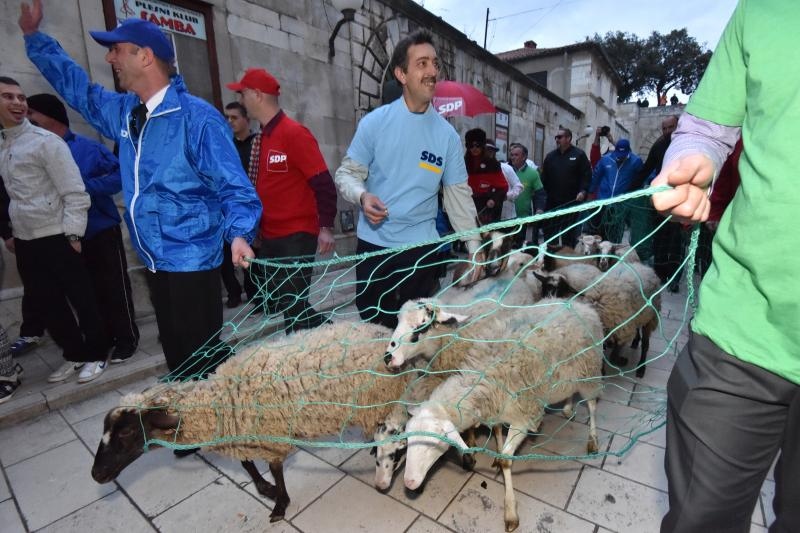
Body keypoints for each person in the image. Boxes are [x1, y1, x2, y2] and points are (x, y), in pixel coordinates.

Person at [20, 3, 262, 379]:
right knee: (177, 356)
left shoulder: (198, 118)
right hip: (153, 259)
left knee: (198, 359)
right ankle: (189, 424)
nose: (109, 57)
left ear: (145, 56)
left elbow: (236, 187)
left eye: (117, 49)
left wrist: (240, 234)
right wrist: (36, 39)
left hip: (190, 260)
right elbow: (79, 90)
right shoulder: (126, 112)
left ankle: (212, 421)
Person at [650, 2, 800, 531]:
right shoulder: (763, 8)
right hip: (740, 327)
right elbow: (709, 129)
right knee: (699, 519)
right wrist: (690, 162)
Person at [334, 29, 482, 328]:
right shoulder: (374, 123)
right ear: (401, 74)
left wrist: (473, 246)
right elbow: (347, 174)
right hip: (375, 244)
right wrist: (363, 196)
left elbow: (457, 196)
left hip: (421, 248)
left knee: (414, 326)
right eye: (422, 64)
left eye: (434, 64)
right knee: (374, 322)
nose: (432, 72)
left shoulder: (447, 137)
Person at [0, 76, 109, 383]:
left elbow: (75, 192)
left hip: (58, 234)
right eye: (8, 97)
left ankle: (97, 354)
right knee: (48, 304)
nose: (18, 103)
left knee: (82, 299)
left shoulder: (46, 142)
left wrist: (73, 234)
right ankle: (75, 354)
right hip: (25, 238)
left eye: (21, 97)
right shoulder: (4, 145)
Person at [26, 93, 140, 363]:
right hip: (65, 235)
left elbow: (118, 176)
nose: (28, 118)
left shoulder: (87, 148)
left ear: (50, 117)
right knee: (89, 293)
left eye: (33, 113)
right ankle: (106, 337)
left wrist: (84, 189)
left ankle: (127, 339)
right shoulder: (37, 150)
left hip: (100, 229)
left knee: (114, 287)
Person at [227, 68, 336, 332]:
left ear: (257, 95)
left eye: (242, 95)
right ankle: (325, 331)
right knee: (288, 303)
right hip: (272, 238)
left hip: (296, 237)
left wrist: (325, 227)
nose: (241, 101)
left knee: (293, 307)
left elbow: (323, 184)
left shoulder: (294, 134)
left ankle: (302, 359)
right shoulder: (261, 139)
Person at [220, 101, 258, 309]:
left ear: (246, 119)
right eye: (227, 118)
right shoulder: (225, 147)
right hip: (227, 208)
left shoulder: (257, 143)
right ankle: (233, 292)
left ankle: (257, 295)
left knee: (251, 253)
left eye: (234, 117)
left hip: (251, 207)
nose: (230, 121)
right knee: (226, 255)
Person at [540, 127, 591, 246]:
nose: (557, 139)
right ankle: (551, 260)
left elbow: (586, 176)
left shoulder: (579, 155)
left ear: (568, 138)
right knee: (550, 234)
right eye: (556, 137)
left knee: (569, 235)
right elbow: (544, 178)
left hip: (571, 202)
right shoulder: (550, 156)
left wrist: (583, 191)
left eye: (560, 137)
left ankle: (567, 260)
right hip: (552, 203)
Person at [588, 138, 643, 242]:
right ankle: (596, 257)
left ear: (628, 152)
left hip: (620, 206)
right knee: (597, 234)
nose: (620, 158)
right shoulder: (605, 159)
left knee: (614, 236)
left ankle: (612, 256)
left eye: (623, 155)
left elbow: (643, 177)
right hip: (602, 203)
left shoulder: (636, 161)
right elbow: (596, 177)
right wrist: (590, 192)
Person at [464, 128, 508, 225]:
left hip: (487, 206)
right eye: (471, 145)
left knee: (486, 236)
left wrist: (494, 199)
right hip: (467, 204)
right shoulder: (463, 163)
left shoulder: (492, 164)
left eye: (477, 145)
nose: (474, 149)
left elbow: (503, 187)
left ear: (482, 146)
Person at [508, 143, 546, 248]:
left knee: (521, 248)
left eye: (516, 155)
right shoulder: (506, 170)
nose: (513, 157)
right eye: (512, 155)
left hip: (524, 220)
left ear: (524, 157)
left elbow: (540, 194)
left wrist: (539, 209)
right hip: (507, 219)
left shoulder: (533, 173)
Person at [484, 140, 522, 222]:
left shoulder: (506, 168)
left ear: (494, 153)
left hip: (507, 218)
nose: (488, 154)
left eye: (490, 151)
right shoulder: (477, 172)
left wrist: (506, 196)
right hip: (486, 218)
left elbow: (519, 187)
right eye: (485, 151)